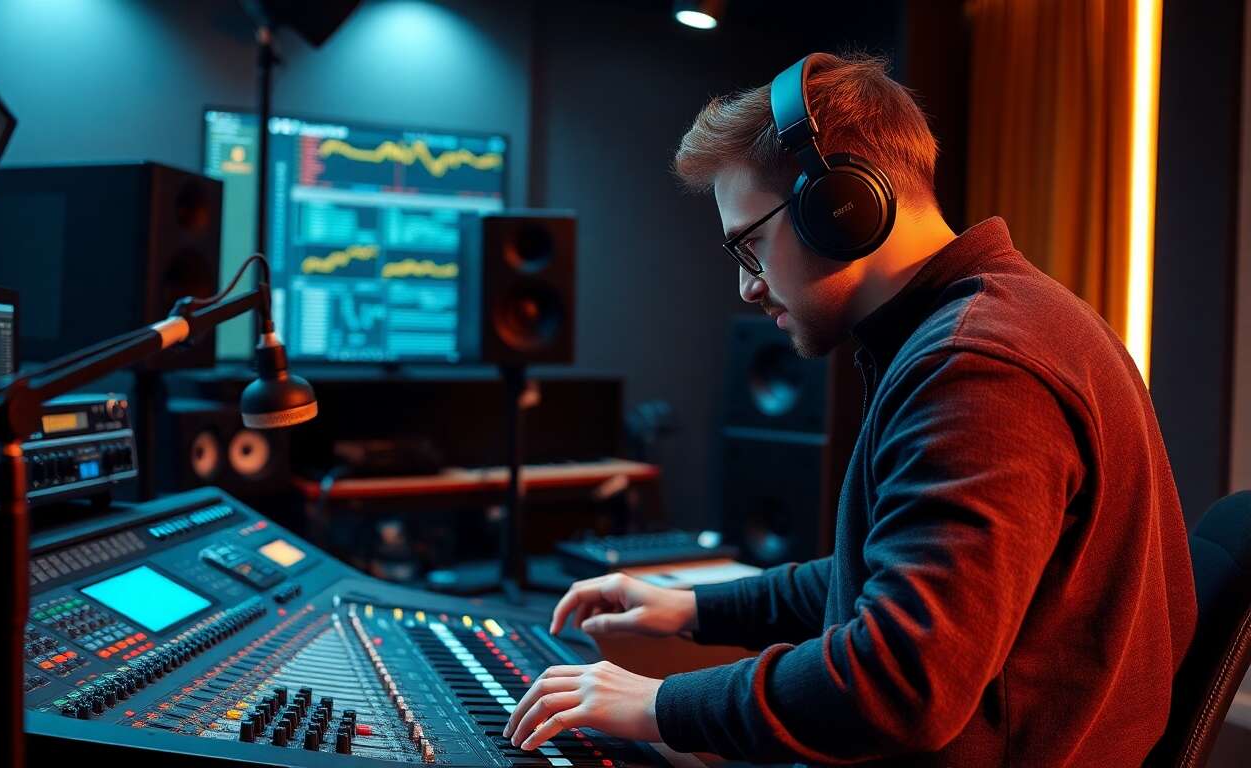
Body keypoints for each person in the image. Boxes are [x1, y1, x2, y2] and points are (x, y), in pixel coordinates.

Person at [502, 51, 1197, 766]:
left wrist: (659, 704)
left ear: (839, 207)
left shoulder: (978, 368)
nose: (748, 287)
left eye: (750, 245)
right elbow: (882, 576)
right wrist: (694, 607)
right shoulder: (1000, 323)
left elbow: (902, 682)